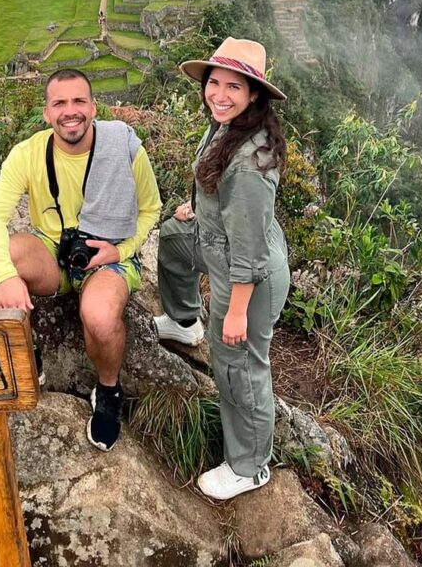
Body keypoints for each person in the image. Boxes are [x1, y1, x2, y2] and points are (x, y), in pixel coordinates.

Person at [0, 68, 161, 451]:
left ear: (93, 106)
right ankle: (26, 353)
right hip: (53, 252)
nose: (70, 111)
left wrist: (121, 251)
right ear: (47, 113)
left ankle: (108, 391)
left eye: (79, 101)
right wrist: (7, 274)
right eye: (59, 103)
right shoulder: (28, 154)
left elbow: (151, 208)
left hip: (108, 253)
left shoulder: (123, 147)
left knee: (98, 315)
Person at [153, 37, 290, 500]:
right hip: (215, 242)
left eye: (235, 86)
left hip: (247, 273)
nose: (220, 94)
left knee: (236, 362)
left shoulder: (252, 162)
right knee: (172, 240)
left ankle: (251, 465)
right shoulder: (224, 127)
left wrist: (234, 312)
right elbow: (214, 185)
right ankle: (182, 321)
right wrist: (196, 209)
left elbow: (248, 251)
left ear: (254, 94)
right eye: (215, 83)